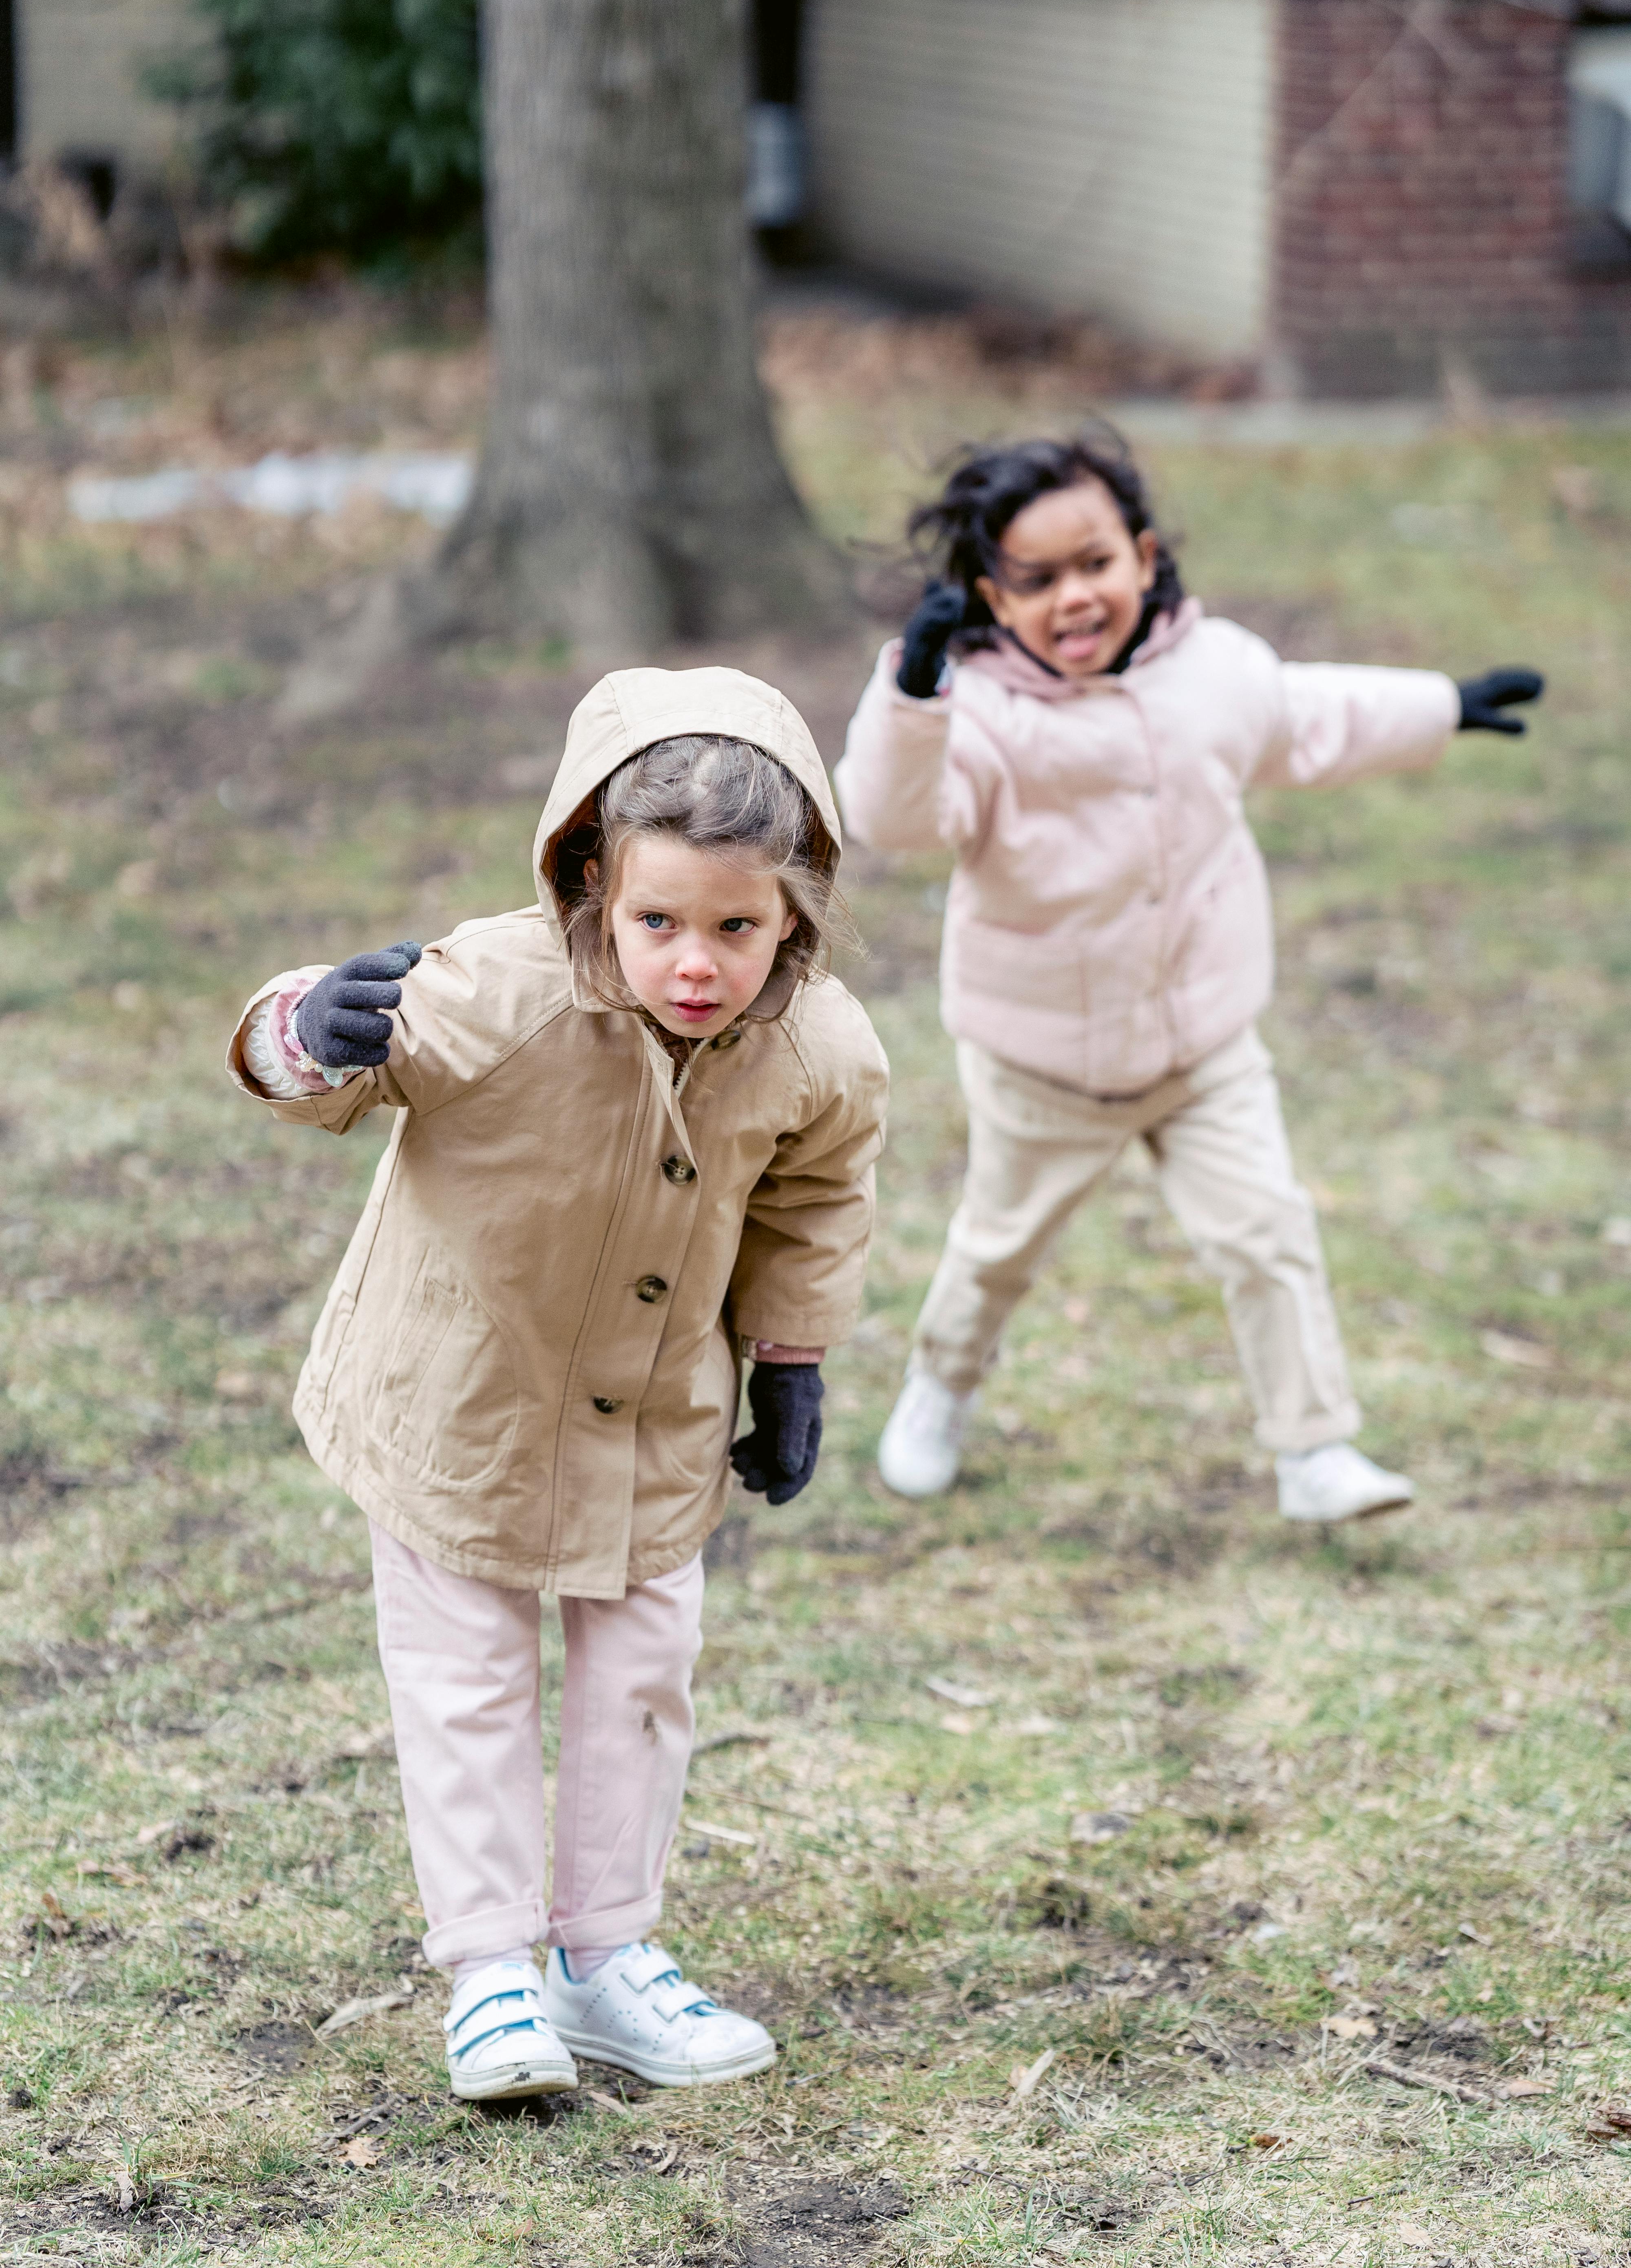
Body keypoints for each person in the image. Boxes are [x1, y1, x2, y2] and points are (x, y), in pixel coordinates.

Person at [226, 667, 888, 2103]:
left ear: (798, 910)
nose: (696, 962)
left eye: (737, 925)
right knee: (465, 1685)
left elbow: (819, 1200)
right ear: (593, 881)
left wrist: (790, 1359)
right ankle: (492, 1976)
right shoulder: (500, 991)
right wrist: (304, 1026)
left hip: (653, 1421)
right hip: (455, 1403)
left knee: (644, 1677)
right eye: (657, 922)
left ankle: (604, 1957)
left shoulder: (819, 1046)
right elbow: (342, 1071)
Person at [834, 431, 1542, 1526]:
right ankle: (939, 1388)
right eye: (1039, 579)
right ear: (992, 596)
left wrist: (1441, 704)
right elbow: (892, 818)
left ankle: (1314, 1451)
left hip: (1205, 1044)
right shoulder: (979, 713)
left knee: (1268, 1233)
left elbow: (1312, 718)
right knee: (996, 1251)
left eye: (1097, 563)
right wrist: (913, 692)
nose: (1077, 596)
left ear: (1146, 555)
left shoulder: (1213, 672)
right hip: (1044, 1063)